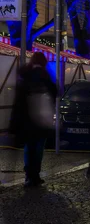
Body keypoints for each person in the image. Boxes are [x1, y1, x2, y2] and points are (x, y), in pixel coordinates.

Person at [9, 52, 58, 188]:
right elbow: (55, 92)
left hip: (26, 119)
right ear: (44, 62)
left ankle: (28, 175)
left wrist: (14, 123)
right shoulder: (45, 76)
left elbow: (18, 100)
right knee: (38, 147)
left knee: (29, 147)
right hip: (41, 119)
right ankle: (35, 175)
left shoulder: (24, 75)